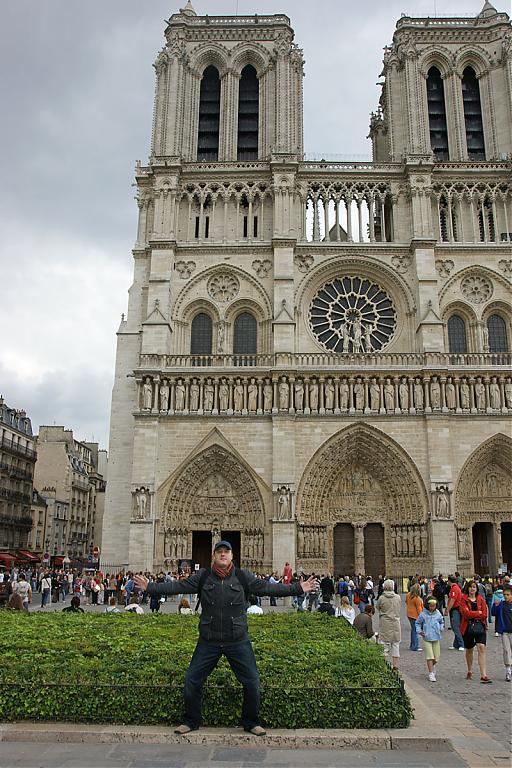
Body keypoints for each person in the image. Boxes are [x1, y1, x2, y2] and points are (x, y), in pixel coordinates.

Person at [134, 540, 317, 736]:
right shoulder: (203, 577)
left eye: (226, 551)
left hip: (237, 640)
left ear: (232, 556)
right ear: (214, 555)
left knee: (252, 682)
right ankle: (191, 721)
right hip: (209, 640)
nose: (223, 554)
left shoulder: (243, 577)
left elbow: (268, 588)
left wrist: (298, 588)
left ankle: (251, 722)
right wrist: (150, 587)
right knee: (192, 681)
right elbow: (177, 587)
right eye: (219, 551)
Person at [460, 580, 491, 683]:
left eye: (474, 587)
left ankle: (483, 675)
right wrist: (478, 613)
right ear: (467, 588)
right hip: (468, 627)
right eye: (470, 587)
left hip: (480, 627)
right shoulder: (463, 600)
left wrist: (474, 614)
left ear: (477, 589)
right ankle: (469, 670)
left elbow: (485, 614)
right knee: (469, 649)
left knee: (481, 648)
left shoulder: (481, 599)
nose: (472, 589)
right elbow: (465, 614)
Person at [416, 597, 444, 682]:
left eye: (434, 606)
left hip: (436, 637)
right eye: (431, 606)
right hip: (426, 637)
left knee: (436, 657)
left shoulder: (438, 613)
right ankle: (431, 673)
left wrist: (441, 628)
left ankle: (432, 665)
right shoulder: (423, 614)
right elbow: (417, 623)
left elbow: (441, 622)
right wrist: (419, 631)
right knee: (430, 656)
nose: (432, 607)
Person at [376, 579, 401, 670]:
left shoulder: (381, 598)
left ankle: (385, 665)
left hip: (385, 622)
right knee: (395, 644)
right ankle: (395, 666)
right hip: (395, 622)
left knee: (384, 644)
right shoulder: (398, 597)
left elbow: (377, 607)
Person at [491, 584, 512, 682]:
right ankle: (508, 670)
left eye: (508, 595)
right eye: (504, 594)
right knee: (506, 651)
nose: (506, 596)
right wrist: (495, 606)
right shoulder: (501, 604)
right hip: (505, 632)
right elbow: (493, 613)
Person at [444, 574, 465, 651]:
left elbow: (452, 600)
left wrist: (447, 610)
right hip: (455, 609)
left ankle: (461, 644)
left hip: (455, 609)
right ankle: (456, 644)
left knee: (455, 627)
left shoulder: (454, 589)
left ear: (449, 581)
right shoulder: (455, 588)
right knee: (455, 627)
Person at [406, 583, 423, 652]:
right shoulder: (417, 598)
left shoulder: (408, 595)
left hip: (409, 614)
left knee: (413, 630)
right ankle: (415, 646)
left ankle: (412, 645)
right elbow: (419, 609)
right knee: (415, 631)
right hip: (415, 615)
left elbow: (406, 602)